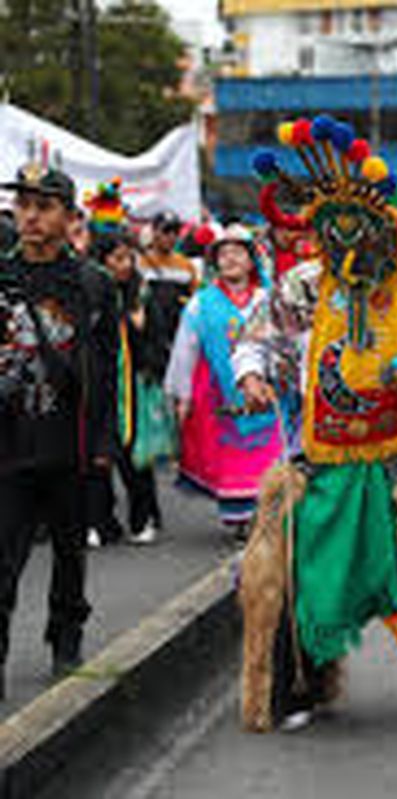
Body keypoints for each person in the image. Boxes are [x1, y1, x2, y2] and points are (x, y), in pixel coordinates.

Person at [233, 117, 397, 733]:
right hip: (322, 464)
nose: (349, 247)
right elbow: (255, 339)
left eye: (361, 232)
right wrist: (250, 375)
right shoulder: (301, 286)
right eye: (335, 233)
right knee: (297, 581)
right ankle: (300, 683)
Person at [0, 163, 118, 690]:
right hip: (8, 445)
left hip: (70, 445)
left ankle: (66, 640)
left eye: (43, 206)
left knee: (71, 555)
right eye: (23, 205)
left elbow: (109, 367)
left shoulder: (93, 284)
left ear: (70, 217)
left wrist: (104, 441)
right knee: (3, 562)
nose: (30, 216)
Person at [165, 225, 282, 535]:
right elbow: (184, 350)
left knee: (270, 458)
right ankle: (242, 520)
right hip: (221, 397)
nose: (230, 260)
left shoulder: (268, 299)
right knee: (231, 458)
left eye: (237, 253)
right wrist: (183, 395)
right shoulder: (201, 303)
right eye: (223, 254)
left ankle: (267, 515)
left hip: (268, 395)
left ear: (251, 260)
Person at [84, 181, 172, 547]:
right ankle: (100, 523)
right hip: (100, 383)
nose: (123, 265)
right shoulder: (88, 289)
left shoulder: (142, 292)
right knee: (97, 457)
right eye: (116, 258)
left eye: (127, 258)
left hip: (134, 387)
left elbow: (157, 339)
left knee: (135, 457)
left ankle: (144, 516)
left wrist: (140, 330)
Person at [141, 212, 199, 343]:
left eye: (176, 232)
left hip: (177, 336)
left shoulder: (186, 265)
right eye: (166, 231)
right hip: (148, 337)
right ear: (154, 232)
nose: (171, 237)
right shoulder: (140, 262)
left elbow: (195, 300)